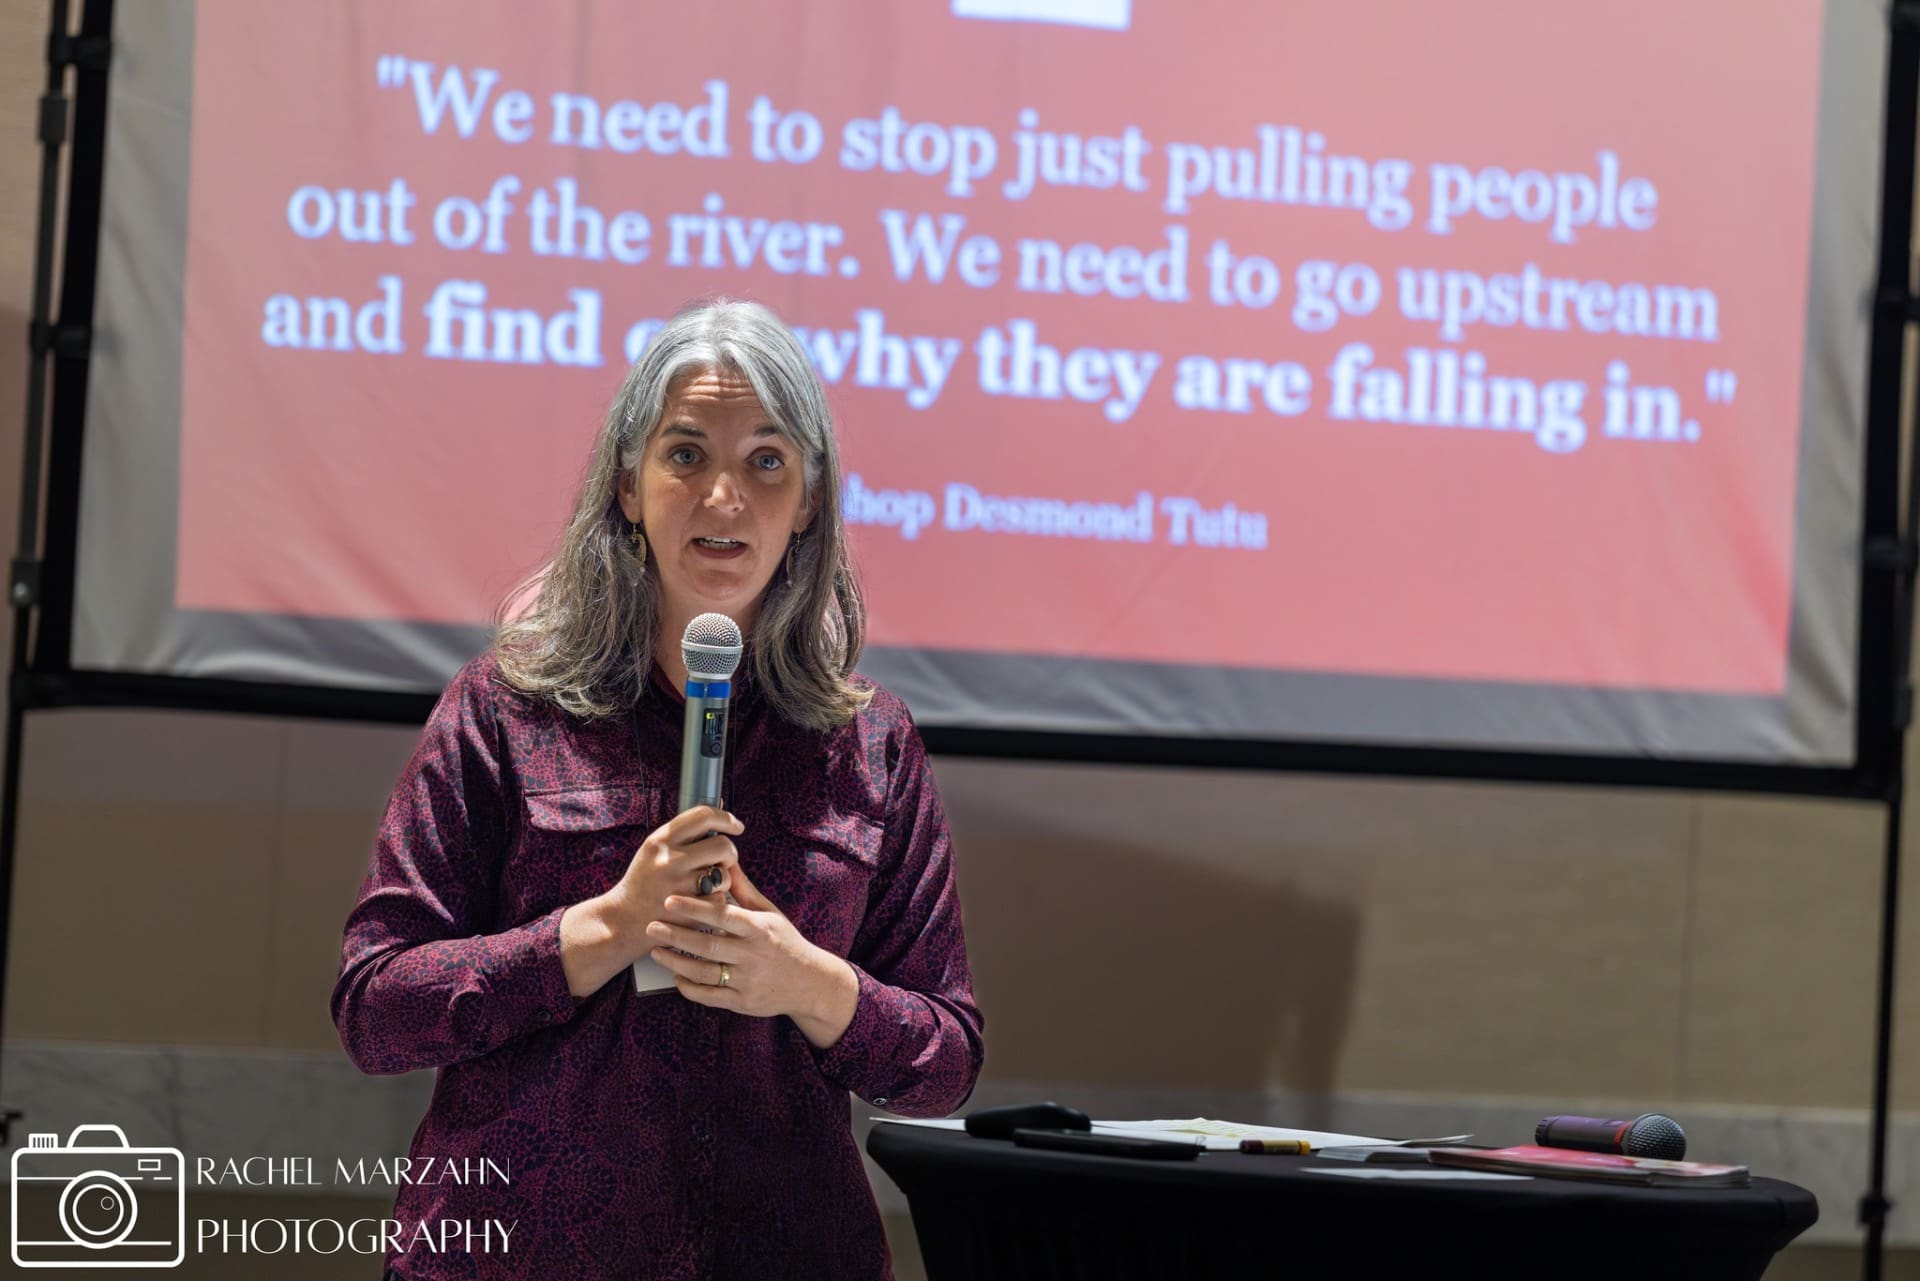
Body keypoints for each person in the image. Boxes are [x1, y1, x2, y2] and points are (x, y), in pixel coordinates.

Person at [331, 298, 985, 1281]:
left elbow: (946, 1060)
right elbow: (375, 1008)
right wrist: (601, 930)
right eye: (686, 454)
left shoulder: (870, 746)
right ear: (629, 485)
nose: (725, 496)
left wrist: (805, 982)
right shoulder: (504, 713)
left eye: (767, 460)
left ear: (809, 500)